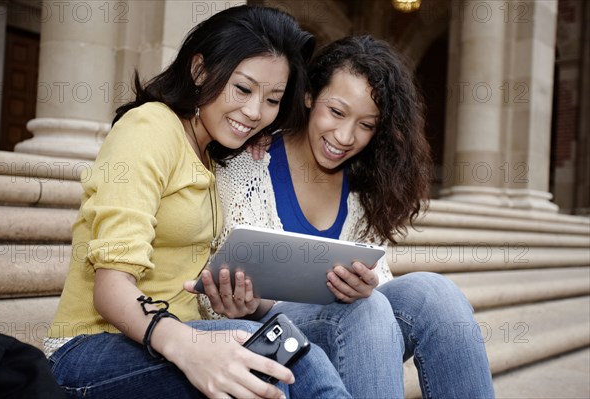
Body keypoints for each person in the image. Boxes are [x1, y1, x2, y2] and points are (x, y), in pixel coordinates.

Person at [43, 6, 353, 399]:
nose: (255, 112)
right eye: (243, 89)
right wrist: (191, 348)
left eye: (273, 99)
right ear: (200, 71)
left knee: (299, 343)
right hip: (88, 351)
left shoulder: (212, 153)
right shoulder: (149, 129)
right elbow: (110, 289)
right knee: (281, 362)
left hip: (171, 336)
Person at [190, 35, 496, 398]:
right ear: (309, 96)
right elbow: (204, 289)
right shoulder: (244, 164)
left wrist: (365, 286)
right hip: (260, 340)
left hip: (352, 337)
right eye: (336, 112)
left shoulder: (365, 191)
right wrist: (246, 303)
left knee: (436, 294)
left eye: (366, 125)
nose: (345, 136)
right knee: (364, 311)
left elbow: (379, 292)